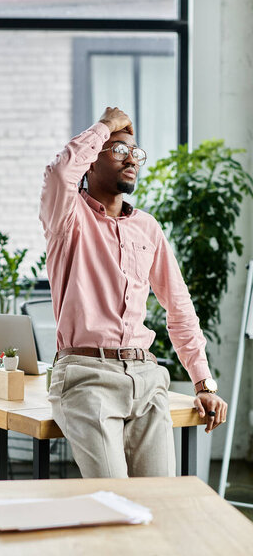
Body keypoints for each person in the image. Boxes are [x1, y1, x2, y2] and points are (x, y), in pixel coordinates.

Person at [39, 106, 228, 478]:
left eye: (135, 153)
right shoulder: (68, 218)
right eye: (119, 150)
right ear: (91, 163)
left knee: (158, 502)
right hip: (85, 375)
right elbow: (60, 172)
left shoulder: (147, 227)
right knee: (116, 499)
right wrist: (107, 124)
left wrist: (203, 382)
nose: (132, 161)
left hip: (145, 376)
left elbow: (179, 308)